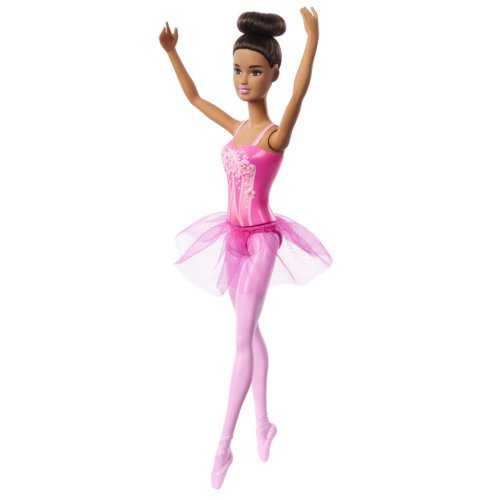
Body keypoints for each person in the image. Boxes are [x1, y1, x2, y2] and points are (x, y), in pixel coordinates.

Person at [159, 7, 332, 489]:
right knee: (250, 333)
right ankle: (263, 423)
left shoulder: (275, 137)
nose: (243, 80)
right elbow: (194, 97)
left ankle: (223, 445)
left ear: (273, 73)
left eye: (255, 72)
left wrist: (313, 40)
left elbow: (300, 92)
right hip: (232, 236)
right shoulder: (238, 128)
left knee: (240, 338)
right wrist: (173, 54)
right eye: (238, 70)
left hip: (260, 242)